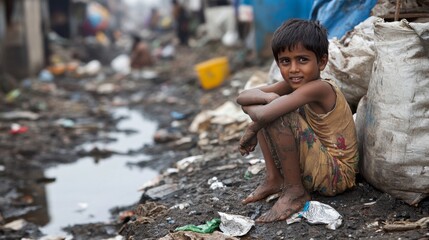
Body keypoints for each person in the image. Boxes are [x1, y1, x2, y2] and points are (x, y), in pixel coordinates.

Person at [236, 19, 358, 223]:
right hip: (321, 169)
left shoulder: (319, 88)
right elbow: (243, 96)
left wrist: (253, 126)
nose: (293, 69)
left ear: (321, 62)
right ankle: (275, 179)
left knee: (278, 114)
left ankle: (295, 191)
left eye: (302, 60)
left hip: (337, 176)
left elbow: (265, 115)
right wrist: (267, 99)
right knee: (271, 108)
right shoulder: (293, 83)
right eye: (285, 61)